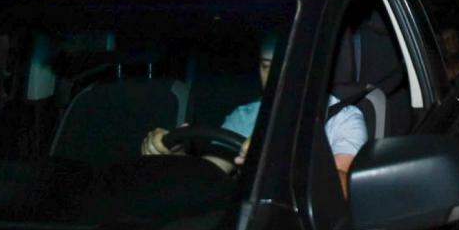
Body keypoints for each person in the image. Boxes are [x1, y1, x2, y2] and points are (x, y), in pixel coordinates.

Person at [142, 38, 367, 198]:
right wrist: (175, 156)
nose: (275, 76)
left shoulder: (343, 118)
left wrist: (282, 161)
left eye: (287, 64)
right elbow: (207, 178)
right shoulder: (245, 116)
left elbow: (344, 190)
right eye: (266, 66)